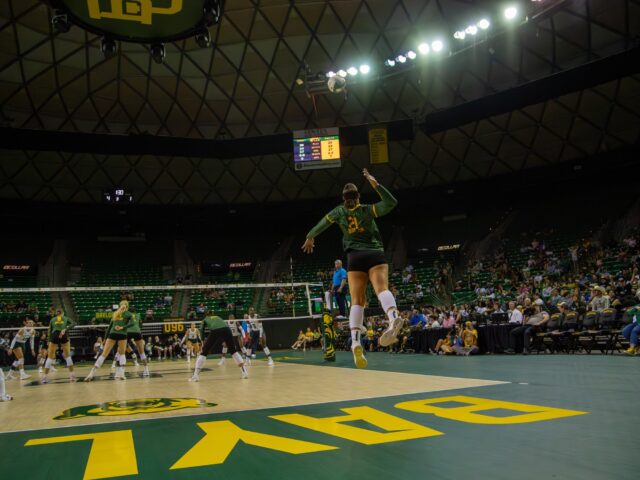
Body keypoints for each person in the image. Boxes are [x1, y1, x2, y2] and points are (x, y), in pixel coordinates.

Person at [302, 168, 399, 369]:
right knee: (382, 289)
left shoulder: (339, 212)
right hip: (375, 254)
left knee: (357, 301)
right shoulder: (367, 210)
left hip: (355, 258)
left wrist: (310, 235)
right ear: (358, 196)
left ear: (343, 198)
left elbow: (322, 224)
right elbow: (391, 203)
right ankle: (394, 317)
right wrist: (375, 183)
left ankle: (355, 342)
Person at [190, 311, 248, 382]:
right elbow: (222, 326)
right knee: (233, 351)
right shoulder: (218, 317)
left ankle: (195, 376)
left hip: (215, 330)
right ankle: (244, 372)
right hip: (227, 329)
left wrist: (202, 341)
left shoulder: (205, 319)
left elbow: (201, 329)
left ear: (206, 316)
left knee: (204, 352)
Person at [84, 301, 133, 382]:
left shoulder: (115, 313)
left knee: (103, 355)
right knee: (122, 354)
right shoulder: (128, 314)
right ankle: (122, 374)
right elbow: (132, 324)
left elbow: (109, 327)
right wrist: (123, 327)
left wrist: (105, 339)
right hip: (122, 334)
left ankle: (91, 374)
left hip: (112, 334)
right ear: (127, 306)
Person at [41, 309, 77, 384]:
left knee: (50, 357)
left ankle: (44, 377)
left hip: (54, 335)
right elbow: (74, 323)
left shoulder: (52, 319)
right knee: (67, 356)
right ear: (62, 313)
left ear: (57, 314)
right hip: (63, 334)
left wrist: (48, 340)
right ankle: (72, 375)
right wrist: (65, 329)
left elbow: (49, 331)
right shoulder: (65, 318)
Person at [126, 308, 149, 376]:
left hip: (128, 332)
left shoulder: (127, 315)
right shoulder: (138, 315)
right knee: (142, 352)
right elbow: (141, 323)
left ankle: (120, 371)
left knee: (121, 348)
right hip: (137, 332)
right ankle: (146, 370)